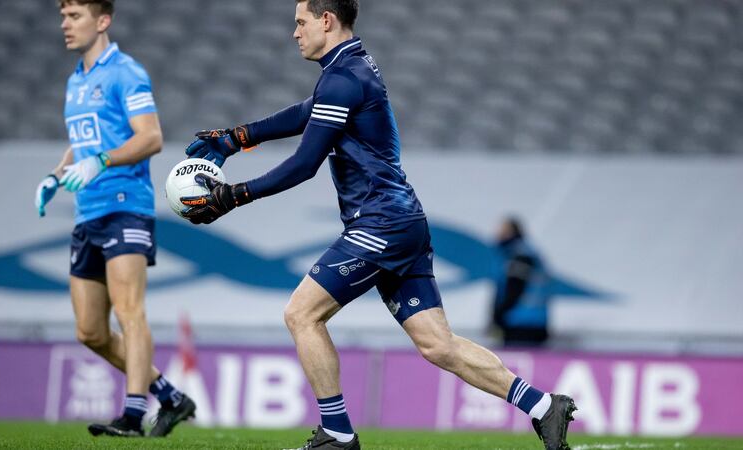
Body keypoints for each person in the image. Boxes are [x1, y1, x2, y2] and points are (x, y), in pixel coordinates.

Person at [181, 1, 576, 448]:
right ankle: (545, 407)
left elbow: (305, 163)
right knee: (437, 345)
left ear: (326, 20)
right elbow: (304, 113)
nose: (294, 33)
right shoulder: (349, 69)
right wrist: (238, 137)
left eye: (300, 22)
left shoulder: (344, 77)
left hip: (380, 224)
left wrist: (236, 194)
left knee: (301, 314)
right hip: (402, 221)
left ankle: (336, 433)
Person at [34, 0, 195, 438]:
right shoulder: (76, 81)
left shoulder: (126, 72)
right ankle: (170, 395)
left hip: (126, 206)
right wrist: (56, 173)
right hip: (88, 212)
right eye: (63, 16)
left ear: (102, 21)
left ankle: (132, 414)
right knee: (89, 331)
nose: (64, 24)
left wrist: (101, 161)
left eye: (74, 16)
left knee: (129, 312)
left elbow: (151, 137)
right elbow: (82, 143)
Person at [491, 217, 551, 347]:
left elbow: (515, 289)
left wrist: (498, 317)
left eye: (502, 230)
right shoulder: (529, 253)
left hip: (520, 323)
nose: (497, 234)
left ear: (511, 232)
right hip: (536, 321)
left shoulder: (519, 255)